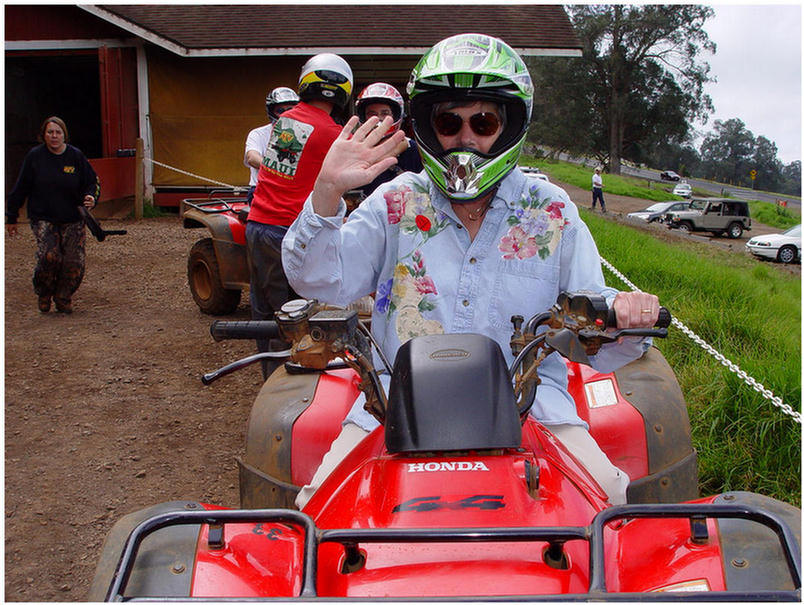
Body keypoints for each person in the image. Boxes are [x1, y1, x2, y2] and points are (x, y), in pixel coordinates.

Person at [282, 33, 660, 509]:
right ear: (428, 125)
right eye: (448, 121)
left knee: (611, 510)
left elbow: (589, 330)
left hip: (534, 410)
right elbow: (317, 280)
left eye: (482, 122)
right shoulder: (395, 202)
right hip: (391, 410)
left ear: (507, 125)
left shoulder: (552, 211)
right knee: (315, 517)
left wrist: (626, 315)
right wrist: (326, 192)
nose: (465, 138)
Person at [246, 53, 353, 378]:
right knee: (297, 318)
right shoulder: (333, 133)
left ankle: (270, 381)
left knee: (265, 313)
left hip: (258, 224)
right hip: (288, 233)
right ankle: (291, 392)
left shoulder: (286, 122)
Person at [6, 116, 100, 314]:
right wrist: (11, 217)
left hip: (73, 217)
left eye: (58, 132)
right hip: (44, 217)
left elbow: (92, 182)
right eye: (50, 132)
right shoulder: (34, 157)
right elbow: (20, 187)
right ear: (44, 135)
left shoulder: (75, 157)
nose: (54, 136)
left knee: (74, 261)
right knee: (50, 257)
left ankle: (63, 296)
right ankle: (44, 292)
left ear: (64, 135)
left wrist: (91, 196)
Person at [353, 82, 423, 200]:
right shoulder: (355, 148)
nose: (379, 118)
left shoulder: (413, 150)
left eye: (385, 113)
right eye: (372, 114)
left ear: (395, 115)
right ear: (363, 116)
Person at [243, 87, 300, 204]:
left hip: (294, 191)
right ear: (272, 112)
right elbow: (252, 158)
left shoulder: (304, 134)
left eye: (290, 109)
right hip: (262, 190)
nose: (286, 114)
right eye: (280, 110)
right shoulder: (258, 133)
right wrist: (279, 170)